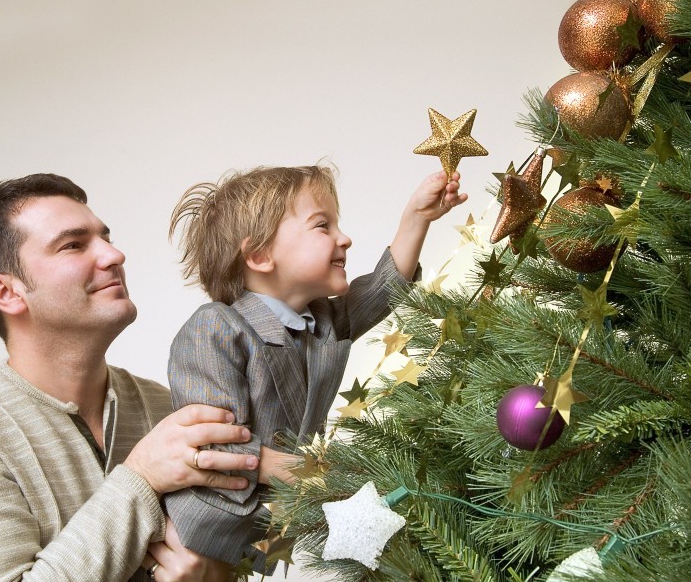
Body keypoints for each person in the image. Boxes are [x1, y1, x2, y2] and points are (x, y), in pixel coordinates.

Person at [0, 173, 268, 582]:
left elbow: (257, 549)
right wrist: (142, 478)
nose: (114, 255)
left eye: (105, 237)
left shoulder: (168, 408)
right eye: (73, 245)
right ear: (7, 293)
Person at [163, 164, 467, 572]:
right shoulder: (215, 328)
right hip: (205, 528)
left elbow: (383, 290)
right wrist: (306, 472)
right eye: (323, 226)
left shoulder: (320, 321)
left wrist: (417, 216)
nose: (345, 238)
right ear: (260, 255)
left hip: (272, 532)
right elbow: (210, 445)